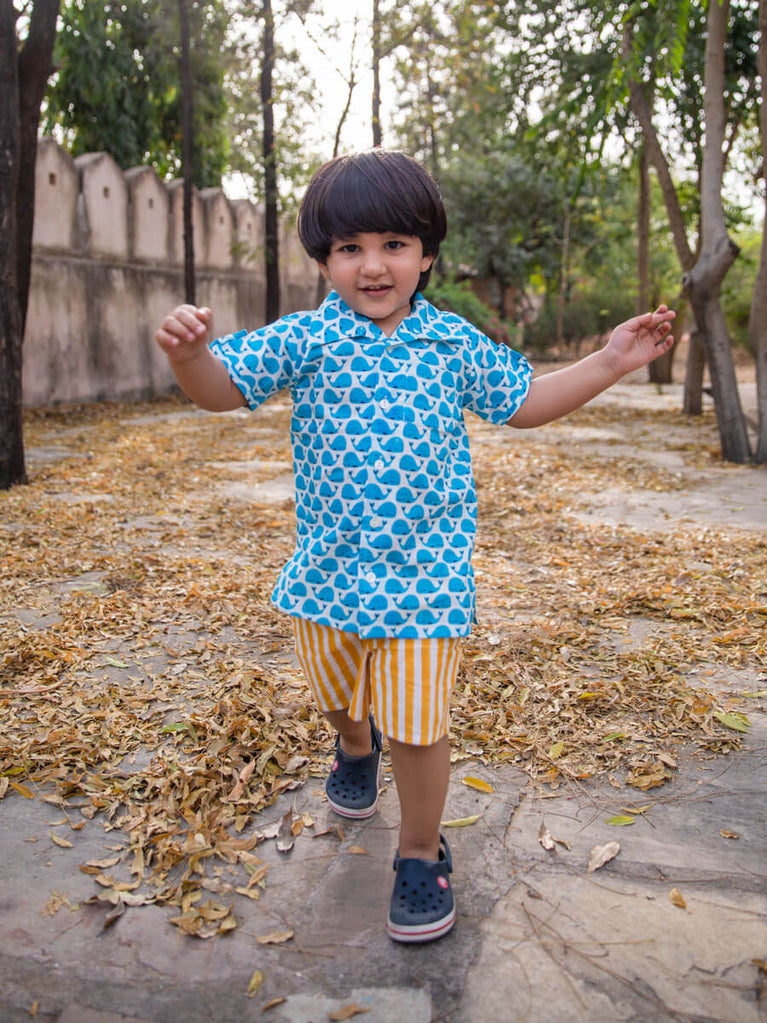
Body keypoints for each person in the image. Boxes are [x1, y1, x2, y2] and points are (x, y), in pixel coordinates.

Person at [155, 149, 675, 944]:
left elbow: (525, 400)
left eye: (394, 244)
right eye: (350, 247)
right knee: (337, 694)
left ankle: (420, 853)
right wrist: (190, 357)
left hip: (426, 579)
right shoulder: (306, 339)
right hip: (327, 573)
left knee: (419, 726)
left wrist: (609, 361)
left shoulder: (451, 344)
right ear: (323, 260)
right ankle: (351, 744)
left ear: (426, 255)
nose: (373, 265)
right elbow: (222, 389)